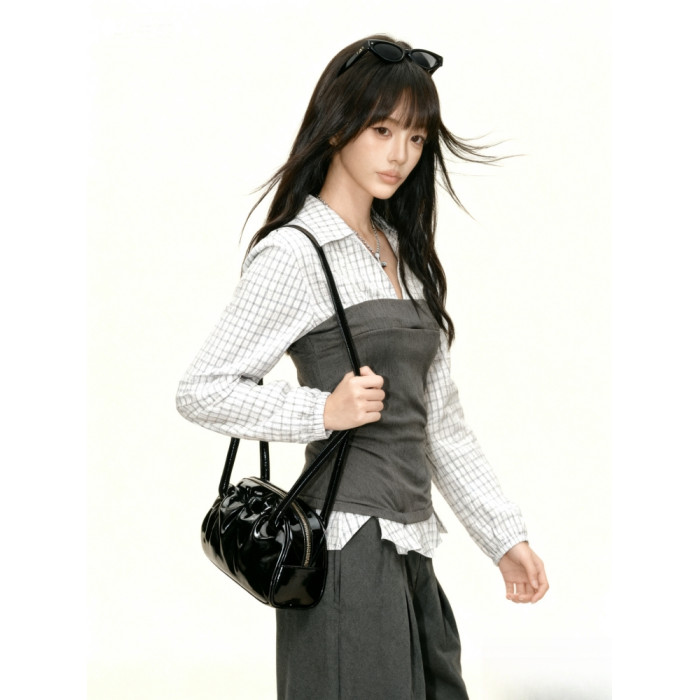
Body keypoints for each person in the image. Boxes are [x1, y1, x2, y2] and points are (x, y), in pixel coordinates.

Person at [176, 35, 549, 700]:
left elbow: (442, 427)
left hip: (410, 550)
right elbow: (201, 390)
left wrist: (504, 537)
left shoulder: (405, 254)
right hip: (343, 552)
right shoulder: (296, 252)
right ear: (337, 126)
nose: (401, 153)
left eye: (416, 136)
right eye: (382, 130)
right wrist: (320, 410)